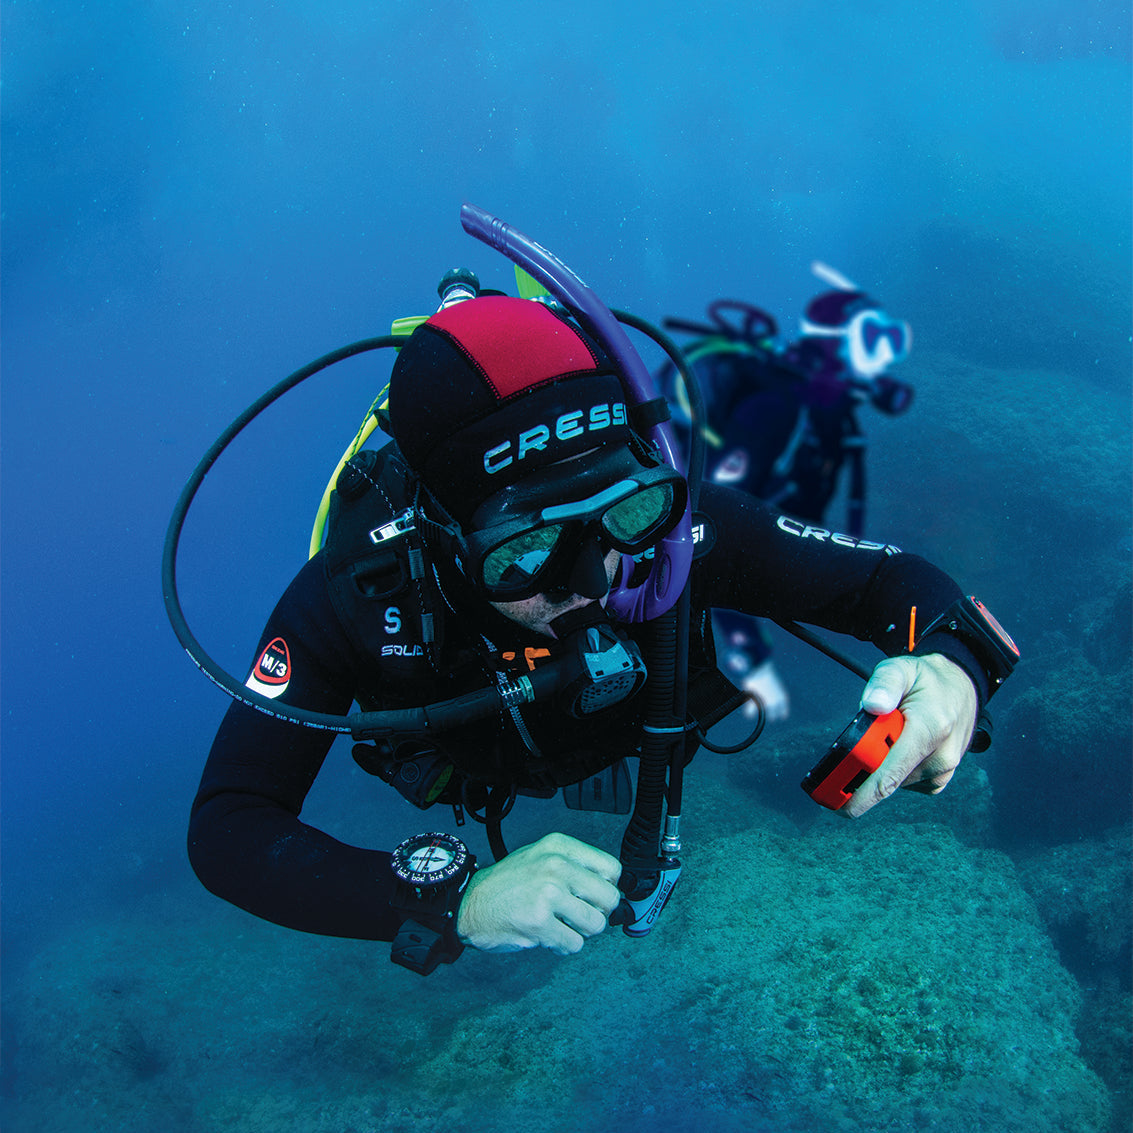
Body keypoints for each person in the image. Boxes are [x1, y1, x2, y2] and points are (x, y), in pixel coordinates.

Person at [185, 253, 1013, 977]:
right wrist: (456, 897)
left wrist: (951, 667)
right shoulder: (352, 596)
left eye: (623, 513)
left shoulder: (679, 536)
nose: (589, 579)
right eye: (525, 549)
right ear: (441, 533)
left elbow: (890, 582)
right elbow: (229, 824)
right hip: (483, 773)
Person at [661, 269, 915, 722]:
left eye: (890, 341)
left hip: (749, 556)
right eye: (873, 339)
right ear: (835, 341)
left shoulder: (824, 416)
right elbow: (715, 533)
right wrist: (750, 658)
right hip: (670, 563)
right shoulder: (775, 406)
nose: (883, 360)